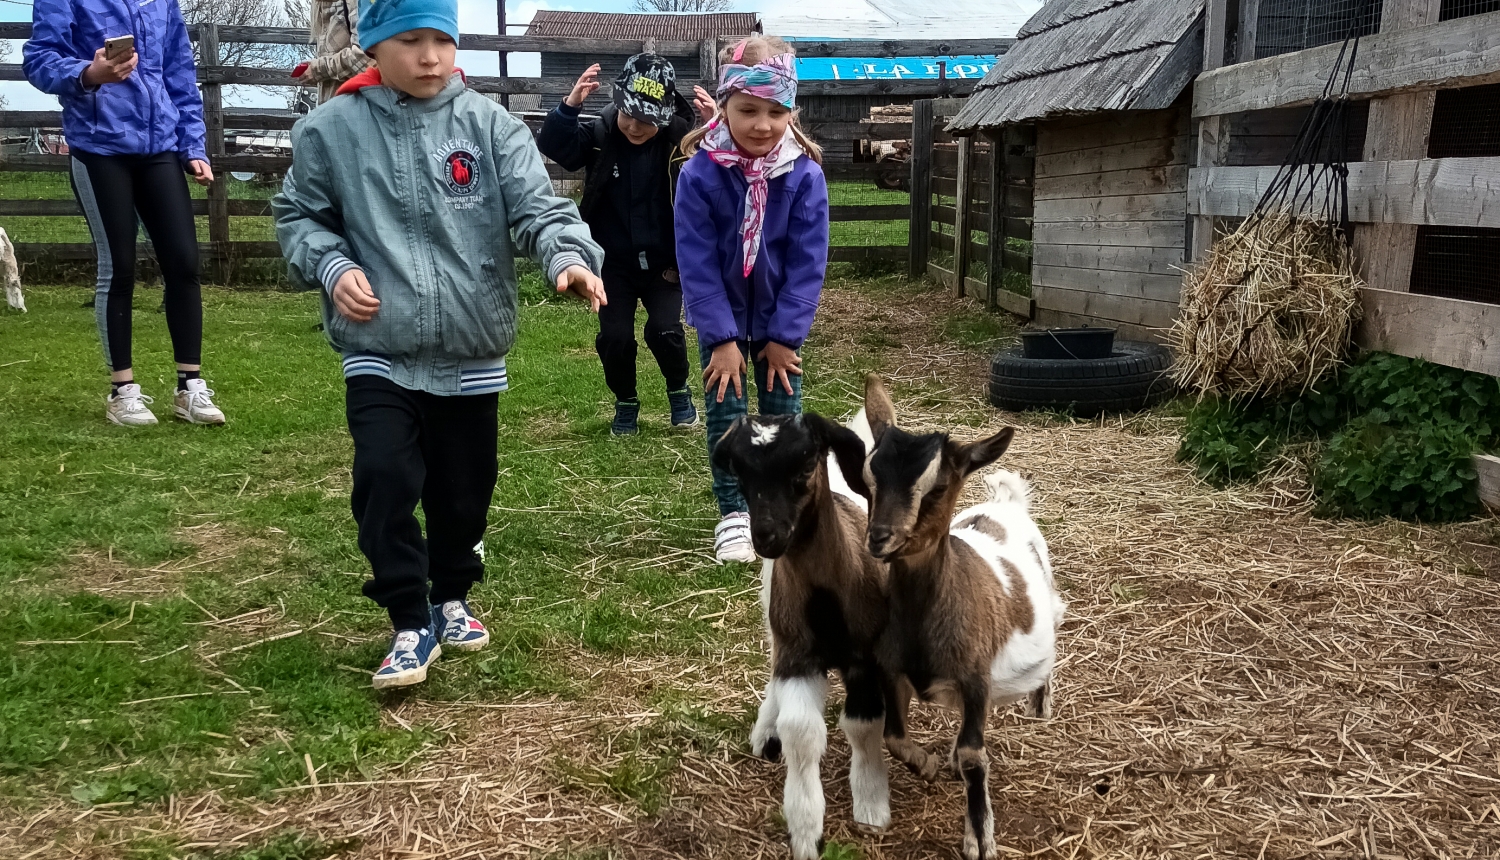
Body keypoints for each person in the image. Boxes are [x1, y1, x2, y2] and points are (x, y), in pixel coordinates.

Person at [272, 0, 605, 689]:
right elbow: (300, 217)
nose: (429, 57)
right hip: (379, 345)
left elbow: (540, 210)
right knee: (385, 479)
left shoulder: (490, 126)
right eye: (410, 40)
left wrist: (566, 258)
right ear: (373, 45)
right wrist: (333, 266)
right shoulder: (330, 130)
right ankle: (406, 617)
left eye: (441, 41)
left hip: (470, 347)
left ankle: (451, 593)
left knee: (463, 494)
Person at [25, 0, 225, 427]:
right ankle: (123, 391)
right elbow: (40, 59)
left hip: (160, 150)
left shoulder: (162, 3)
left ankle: (189, 387)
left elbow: (179, 73)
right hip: (99, 148)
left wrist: (192, 145)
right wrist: (89, 74)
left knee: (184, 261)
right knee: (118, 267)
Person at [674, 36, 828, 563]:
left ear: (792, 110)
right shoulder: (699, 174)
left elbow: (808, 264)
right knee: (727, 414)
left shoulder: (804, 176)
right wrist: (719, 338)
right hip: (723, 321)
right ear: (724, 106)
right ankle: (735, 514)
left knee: (785, 417)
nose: (762, 124)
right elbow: (695, 261)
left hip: (778, 322)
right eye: (748, 111)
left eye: (775, 111)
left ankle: (791, 511)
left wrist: (786, 338)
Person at [537, 54, 700, 436]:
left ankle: (679, 392)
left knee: (665, 331)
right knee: (615, 338)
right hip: (611, 262)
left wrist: (712, 127)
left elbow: (718, 163)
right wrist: (569, 107)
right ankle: (625, 400)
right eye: (630, 115)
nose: (637, 126)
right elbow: (557, 146)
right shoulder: (600, 134)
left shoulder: (680, 143)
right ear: (617, 103)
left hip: (665, 261)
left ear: (664, 117)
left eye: (649, 120)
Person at [291, 0, 370, 104]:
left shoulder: (354, 3)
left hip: (355, 107)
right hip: (335, 108)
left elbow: (364, 57)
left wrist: (318, 69)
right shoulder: (323, 9)